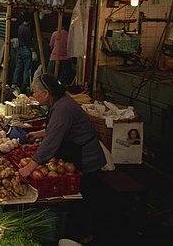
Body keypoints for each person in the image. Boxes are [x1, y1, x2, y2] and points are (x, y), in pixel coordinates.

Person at [19, 74, 105, 243]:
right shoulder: (60, 103)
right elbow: (58, 129)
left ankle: (84, 236)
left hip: (86, 159)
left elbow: (51, 143)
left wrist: (29, 168)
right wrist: (38, 133)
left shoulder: (63, 108)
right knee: (78, 200)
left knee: (83, 201)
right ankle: (76, 231)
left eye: (35, 92)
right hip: (76, 155)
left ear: (45, 93)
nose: (33, 95)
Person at [48, 21, 75, 86]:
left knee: (49, 78)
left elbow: (51, 46)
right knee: (62, 81)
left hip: (54, 58)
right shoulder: (68, 34)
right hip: (66, 59)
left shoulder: (55, 34)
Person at [12, 16, 33, 93]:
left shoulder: (20, 27)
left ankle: (14, 83)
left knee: (18, 67)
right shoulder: (27, 29)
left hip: (20, 49)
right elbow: (29, 40)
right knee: (27, 68)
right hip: (26, 49)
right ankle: (25, 84)